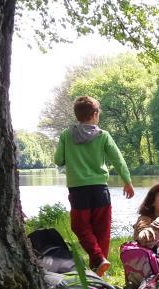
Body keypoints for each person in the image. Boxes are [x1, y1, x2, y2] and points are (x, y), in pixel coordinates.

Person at [53, 96, 134, 276]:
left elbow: (58, 160)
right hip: (100, 190)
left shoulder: (67, 135)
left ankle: (98, 264)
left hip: (78, 190)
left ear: (77, 115)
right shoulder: (103, 135)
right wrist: (127, 182)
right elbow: (118, 160)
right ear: (95, 114)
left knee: (80, 227)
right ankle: (99, 265)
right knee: (101, 233)